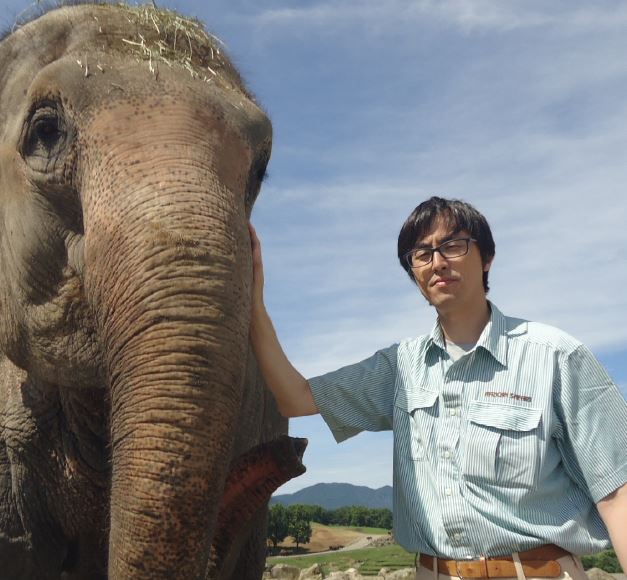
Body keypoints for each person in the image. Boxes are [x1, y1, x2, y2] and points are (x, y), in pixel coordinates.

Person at [248, 197, 627, 580]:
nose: (438, 262)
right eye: (421, 253)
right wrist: (255, 298)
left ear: (487, 258)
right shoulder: (400, 367)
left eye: (453, 245)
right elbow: (294, 398)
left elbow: (617, 494)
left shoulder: (557, 356)